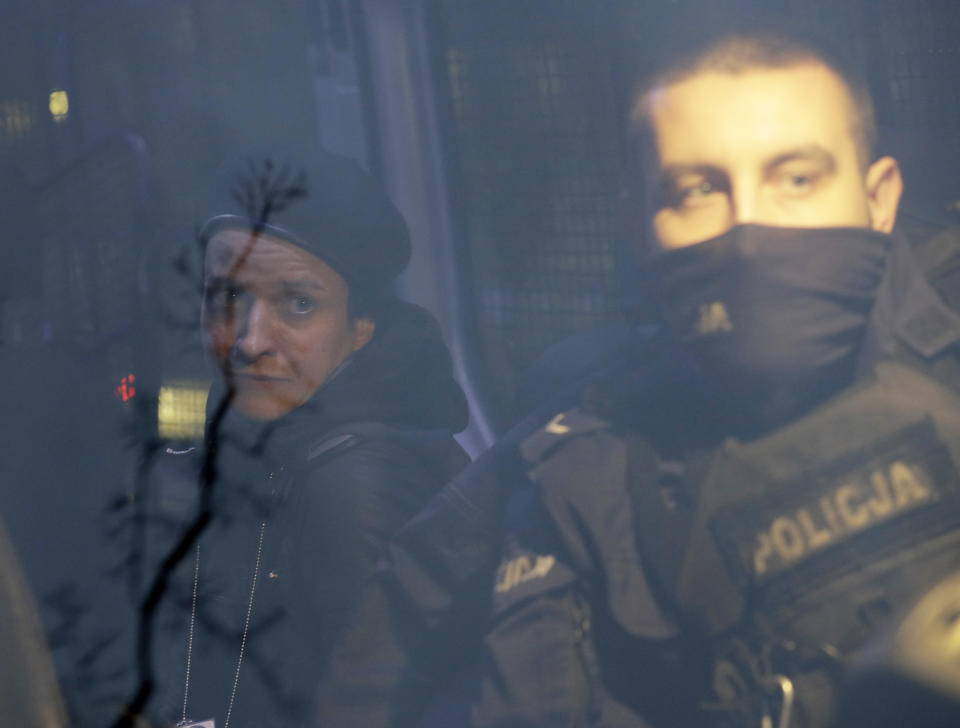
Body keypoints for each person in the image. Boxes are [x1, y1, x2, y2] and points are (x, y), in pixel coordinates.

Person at [319, 29, 960, 728]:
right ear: (637, 226)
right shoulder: (583, 474)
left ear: (880, 198)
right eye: (696, 191)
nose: (748, 229)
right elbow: (384, 660)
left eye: (797, 179)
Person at [134, 149, 470, 728]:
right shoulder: (249, 440)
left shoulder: (357, 488)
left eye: (298, 303)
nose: (248, 340)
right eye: (227, 297)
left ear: (360, 326)